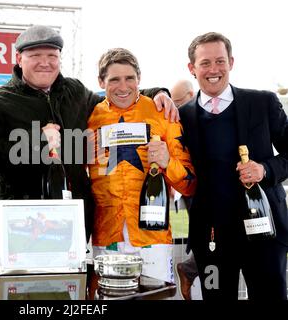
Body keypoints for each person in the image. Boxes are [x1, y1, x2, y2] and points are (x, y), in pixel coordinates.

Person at [0, 25, 179, 242]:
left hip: (75, 224)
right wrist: (37, 143)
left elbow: (113, 100)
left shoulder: (75, 91)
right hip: (23, 225)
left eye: (52, 55)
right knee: (25, 278)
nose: (45, 62)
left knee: (77, 277)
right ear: (19, 58)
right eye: (35, 55)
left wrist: (156, 93)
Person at [179, 32, 288, 300]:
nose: (213, 69)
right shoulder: (182, 117)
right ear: (192, 68)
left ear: (231, 62)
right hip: (212, 240)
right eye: (205, 63)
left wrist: (265, 170)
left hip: (263, 232)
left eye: (220, 61)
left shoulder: (262, 102)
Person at [87, 48, 196, 283]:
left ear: (139, 79)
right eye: (114, 79)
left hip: (152, 238)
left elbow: (189, 184)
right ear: (101, 82)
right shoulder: (90, 118)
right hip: (107, 238)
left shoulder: (162, 113)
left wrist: (168, 163)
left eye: (130, 78)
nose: (123, 86)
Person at [170, 79, 198, 300]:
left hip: (199, 184)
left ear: (191, 94)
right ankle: (189, 268)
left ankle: (189, 268)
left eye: (178, 101)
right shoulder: (179, 119)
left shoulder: (199, 115)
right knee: (206, 233)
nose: (175, 107)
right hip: (189, 185)